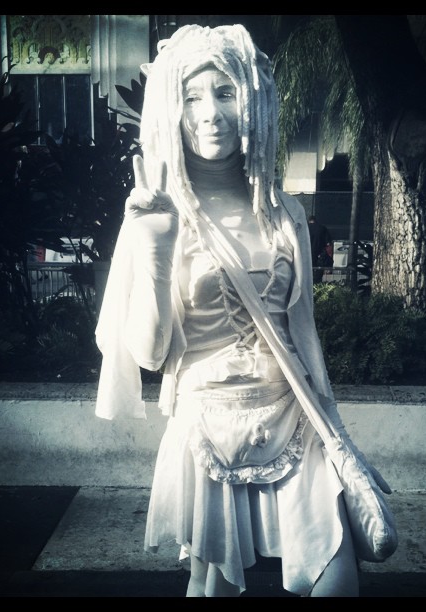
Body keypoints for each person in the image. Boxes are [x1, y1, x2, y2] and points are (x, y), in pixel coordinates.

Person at [94, 24, 384, 597]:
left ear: (252, 100)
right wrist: (156, 249)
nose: (210, 114)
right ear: (172, 110)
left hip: (293, 415)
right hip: (207, 424)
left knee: (337, 575)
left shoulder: (284, 212)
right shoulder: (154, 213)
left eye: (225, 92)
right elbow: (149, 355)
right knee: (215, 588)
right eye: (192, 97)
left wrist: (334, 425)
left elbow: (302, 332)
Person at [307, 215, 333, 282]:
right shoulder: (322, 228)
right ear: (315, 221)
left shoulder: (305, 228)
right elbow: (328, 244)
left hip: (306, 256)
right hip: (319, 256)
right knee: (317, 278)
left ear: (309, 221)